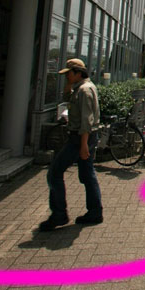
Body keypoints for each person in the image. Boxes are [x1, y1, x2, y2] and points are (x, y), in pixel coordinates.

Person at [39, 58, 103, 231]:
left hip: (80, 138)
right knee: (87, 174)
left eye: (68, 74)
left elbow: (86, 120)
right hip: (83, 137)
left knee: (54, 173)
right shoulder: (80, 89)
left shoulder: (85, 90)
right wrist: (68, 89)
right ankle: (95, 211)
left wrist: (83, 145)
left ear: (77, 73)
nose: (66, 77)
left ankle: (59, 214)